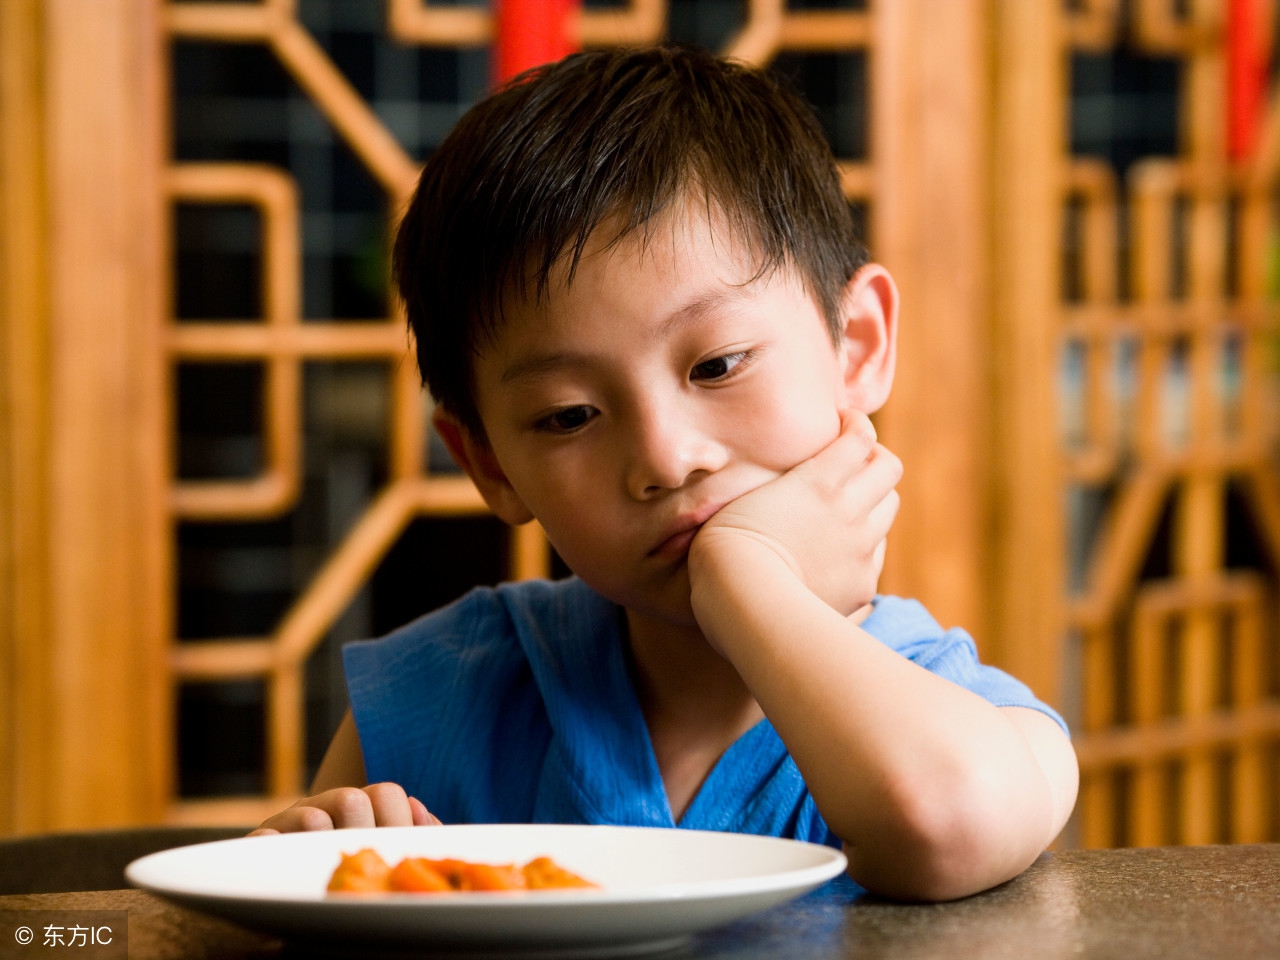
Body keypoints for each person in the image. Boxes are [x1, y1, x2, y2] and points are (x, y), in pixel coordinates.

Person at [252, 44, 1078, 902]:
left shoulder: (958, 711)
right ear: (488, 464)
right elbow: (319, 891)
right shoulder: (436, 698)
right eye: (570, 416)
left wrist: (745, 578)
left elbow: (947, 827)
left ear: (858, 344)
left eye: (717, 365)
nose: (665, 458)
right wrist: (295, 873)